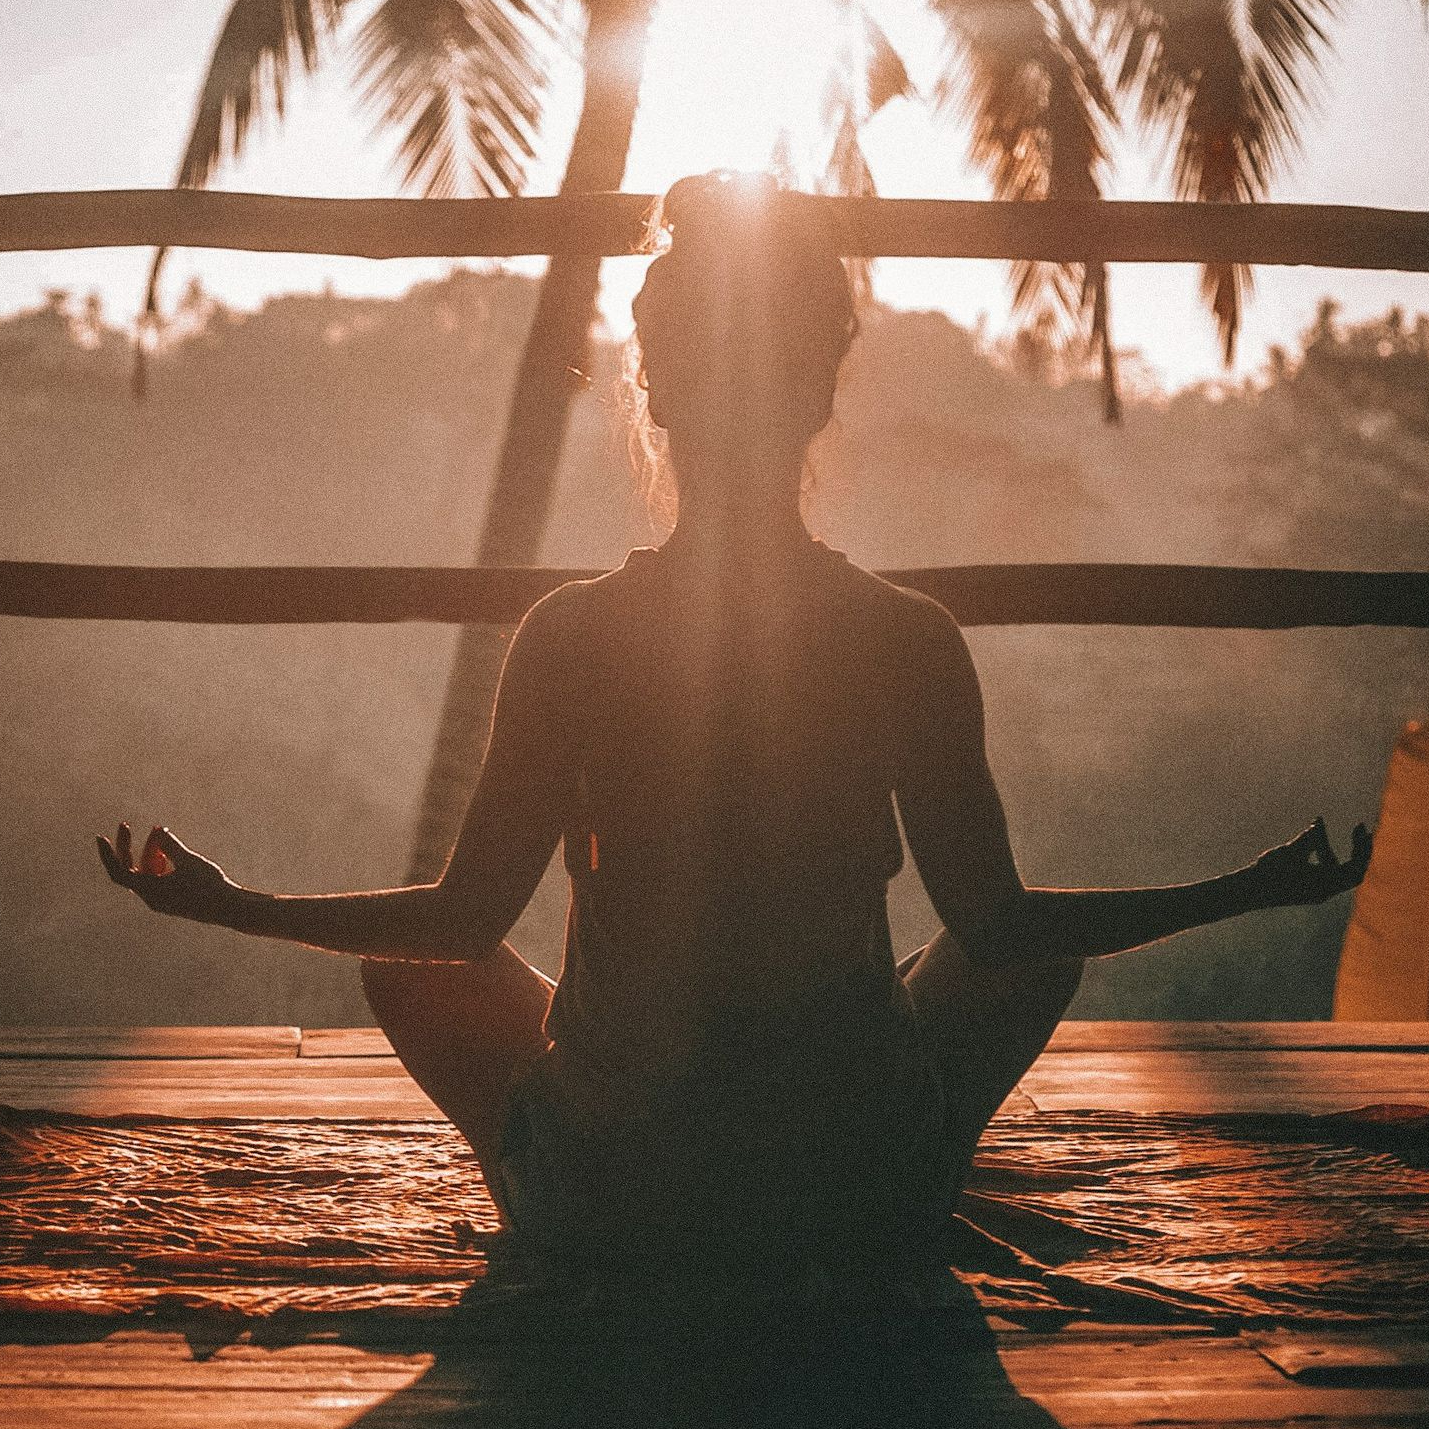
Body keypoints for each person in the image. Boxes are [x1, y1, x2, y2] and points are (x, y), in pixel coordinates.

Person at [98, 172, 1372, 1294]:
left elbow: (458, 922)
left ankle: (558, 1199)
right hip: (851, 1190)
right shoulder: (905, 636)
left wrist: (234, 903)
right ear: (820, 391)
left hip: (620, 1201)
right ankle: (911, 1173)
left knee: (410, 969)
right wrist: (1246, 888)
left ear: (654, 394)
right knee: (1027, 954)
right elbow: (1002, 928)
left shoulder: (573, 634)